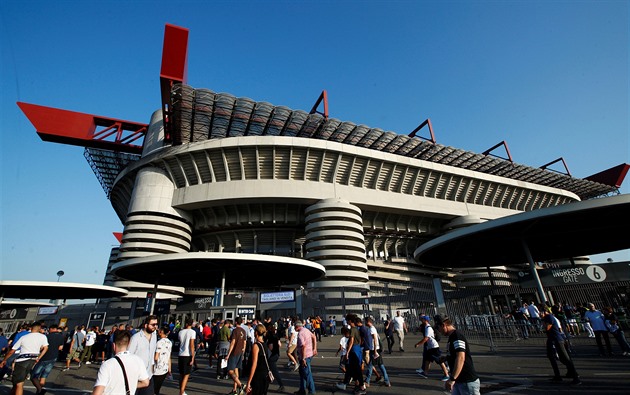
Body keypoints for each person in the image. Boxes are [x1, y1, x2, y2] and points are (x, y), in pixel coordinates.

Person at [92, 330, 149, 395]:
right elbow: (145, 382)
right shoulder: (138, 360)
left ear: (113, 345)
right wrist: (130, 385)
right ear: (128, 344)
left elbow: (97, 392)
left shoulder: (107, 364)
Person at [0, 322, 49, 395]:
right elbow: (45, 348)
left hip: (22, 360)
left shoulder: (24, 337)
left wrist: (4, 360)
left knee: (19, 384)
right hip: (33, 359)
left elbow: (12, 350)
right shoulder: (43, 337)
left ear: (31, 328)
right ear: (39, 329)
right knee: (17, 381)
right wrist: (39, 357)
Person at [437, 316, 480, 395]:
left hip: (466, 381)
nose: (439, 331)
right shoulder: (452, 336)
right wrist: (447, 358)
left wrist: (452, 379)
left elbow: (460, 357)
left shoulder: (457, 336)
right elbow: (456, 354)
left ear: (443, 325)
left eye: (438, 327)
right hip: (459, 380)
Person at [541, 309, 581, 385]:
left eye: (541, 311)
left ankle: (575, 376)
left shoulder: (549, 317)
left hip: (557, 339)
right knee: (551, 356)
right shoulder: (549, 317)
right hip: (552, 339)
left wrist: (544, 322)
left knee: (564, 357)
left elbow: (547, 328)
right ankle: (558, 375)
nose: (540, 313)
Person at [31, 324, 65, 395]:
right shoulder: (61, 336)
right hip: (54, 357)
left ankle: (39, 390)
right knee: (44, 375)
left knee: (34, 375)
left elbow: (41, 347)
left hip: (44, 357)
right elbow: (60, 348)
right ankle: (40, 390)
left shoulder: (46, 336)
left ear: (52, 329)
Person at [129, 315, 158, 395]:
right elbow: (129, 355)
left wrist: (152, 368)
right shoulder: (136, 338)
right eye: (153, 324)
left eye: (156, 324)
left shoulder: (154, 337)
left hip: (148, 375)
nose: (155, 327)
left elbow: (152, 354)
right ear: (146, 325)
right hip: (136, 376)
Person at [336, 314, 365, 395]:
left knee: (356, 369)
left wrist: (347, 352)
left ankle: (361, 386)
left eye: (347, 320)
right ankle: (358, 384)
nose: (346, 321)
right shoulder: (356, 329)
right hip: (357, 349)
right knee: (354, 369)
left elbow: (351, 341)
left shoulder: (353, 329)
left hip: (354, 350)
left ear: (349, 321)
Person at [414, 315, 449, 381]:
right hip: (430, 347)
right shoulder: (426, 327)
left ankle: (446, 374)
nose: (421, 321)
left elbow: (426, 338)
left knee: (439, 360)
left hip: (434, 347)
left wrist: (418, 344)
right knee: (427, 359)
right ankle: (425, 373)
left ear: (426, 320)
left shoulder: (428, 328)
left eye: (423, 320)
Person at [245, 324, 271, 395]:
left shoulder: (256, 346)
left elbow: (254, 364)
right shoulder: (264, 345)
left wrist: (249, 382)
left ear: (256, 332)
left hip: (257, 376)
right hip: (265, 376)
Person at [365, 317, 390, 387]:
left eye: (365, 321)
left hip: (374, 350)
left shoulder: (372, 329)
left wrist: (375, 350)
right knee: (380, 365)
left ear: (368, 322)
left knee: (370, 366)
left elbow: (375, 339)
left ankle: (367, 381)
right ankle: (387, 381)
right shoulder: (372, 328)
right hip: (375, 349)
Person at [225, 316, 248, 395]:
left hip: (234, 352)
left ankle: (240, 385)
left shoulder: (235, 331)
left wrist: (228, 354)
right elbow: (245, 342)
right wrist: (243, 353)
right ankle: (234, 389)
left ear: (235, 322)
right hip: (240, 352)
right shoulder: (243, 331)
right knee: (236, 369)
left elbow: (233, 342)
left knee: (230, 370)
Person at [295, 319, 317, 395]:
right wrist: (314, 348)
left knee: (307, 374)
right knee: (302, 373)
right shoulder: (306, 330)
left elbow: (303, 346)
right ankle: (302, 390)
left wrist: (303, 358)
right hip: (309, 353)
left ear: (297, 327)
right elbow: (314, 337)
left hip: (305, 356)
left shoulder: (300, 334)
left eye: (295, 327)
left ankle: (312, 391)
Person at [178, 319, 196, 395]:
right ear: (191, 324)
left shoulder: (180, 332)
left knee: (181, 374)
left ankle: (182, 391)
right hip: (187, 354)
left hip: (180, 354)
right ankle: (181, 392)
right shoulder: (192, 332)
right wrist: (193, 356)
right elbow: (191, 344)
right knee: (186, 374)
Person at [153, 325, 172, 395]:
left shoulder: (159, 342)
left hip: (157, 369)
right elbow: (169, 356)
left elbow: (156, 357)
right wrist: (169, 369)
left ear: (161, 332)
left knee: (153, 388)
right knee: (157, 388)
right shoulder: (170, 343)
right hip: (165, 368)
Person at [265, 324, 285, 392]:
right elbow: (279, 344)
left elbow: (271, 347)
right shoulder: (276, 336)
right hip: (276, 354)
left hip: (272, 355)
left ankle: (281, 385)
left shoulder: (270, 337)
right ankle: (266, 384)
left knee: (273, 371)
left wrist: (266, 348)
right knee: (269, 370)